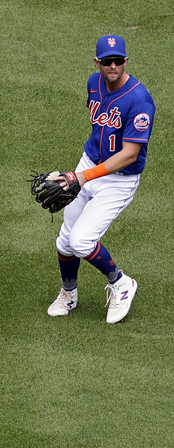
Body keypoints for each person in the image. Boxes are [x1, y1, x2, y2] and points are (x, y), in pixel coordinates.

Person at [47, 34, 155, 323]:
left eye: (118, 60)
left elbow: (130, 154)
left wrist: (82, 177)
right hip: (89, 165)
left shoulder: (140, 101)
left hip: (118, 180)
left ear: (126, 61)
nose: (113, 66)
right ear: (97, 63)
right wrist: (83, 173)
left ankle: (121, 284)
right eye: (107, 61)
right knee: (65, 242)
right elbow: (100, 128)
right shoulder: (93, 84)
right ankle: (68, 293)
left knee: (82, 241)